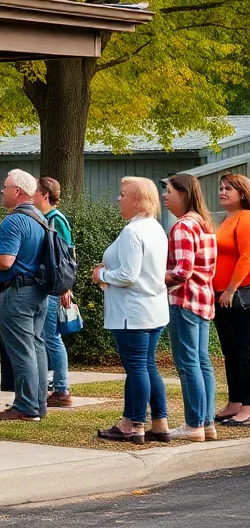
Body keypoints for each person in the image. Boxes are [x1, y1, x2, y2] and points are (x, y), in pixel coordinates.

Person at [93, 177, 171, 444]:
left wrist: (101, 273)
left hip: (132, 311)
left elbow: (128, 274)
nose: (118, 199)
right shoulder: (155, 228)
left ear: (137, 200)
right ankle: (159, 422)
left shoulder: (133, 232)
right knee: (147, 366)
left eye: (123, 194)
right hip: (154, 308)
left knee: (137, 367)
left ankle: (133, 423)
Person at [0, 169, 48, 422]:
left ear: (17, 191)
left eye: (5, 187)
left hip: (15, 293)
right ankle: (39, 403)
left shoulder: (13, 221)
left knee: (21, 350)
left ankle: (26, 406)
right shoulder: (40, 218)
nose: (2, 192)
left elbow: (6, 261)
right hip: (37, 291)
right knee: (36, 346)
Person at [162, 173, 218, 442]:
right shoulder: (205, 224)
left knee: (187, 364)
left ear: (183, 194)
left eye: (169, 191)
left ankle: (193, 424)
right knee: (202, 361)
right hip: (204, 300)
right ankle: (206, 423)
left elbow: (182, 272)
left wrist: (153, 277)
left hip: (185, 300)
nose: (164, 196)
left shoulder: (183, 226)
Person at [32, 177, 75, 408]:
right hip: (50, 286)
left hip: (53, 288)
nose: (33, 195)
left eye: (36, 191)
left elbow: (66, 256)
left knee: (51, 337)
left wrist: (65, 287)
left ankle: (61, 389)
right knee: (49, 336)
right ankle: (58, 386)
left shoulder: (56, 220)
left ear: (45, 195)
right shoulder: (46, 219)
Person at [213, 173, 250, 426]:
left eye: (229, 189)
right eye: (221, 188)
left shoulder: (246, 218)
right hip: (221, 296)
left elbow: (247, 256)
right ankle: (235, 401)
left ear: (243, 194)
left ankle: (248, 406)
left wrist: (230, 289)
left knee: (244, 351)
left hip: (239, 296)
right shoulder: (226, 219)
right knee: (230, 351)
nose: (223, 192)